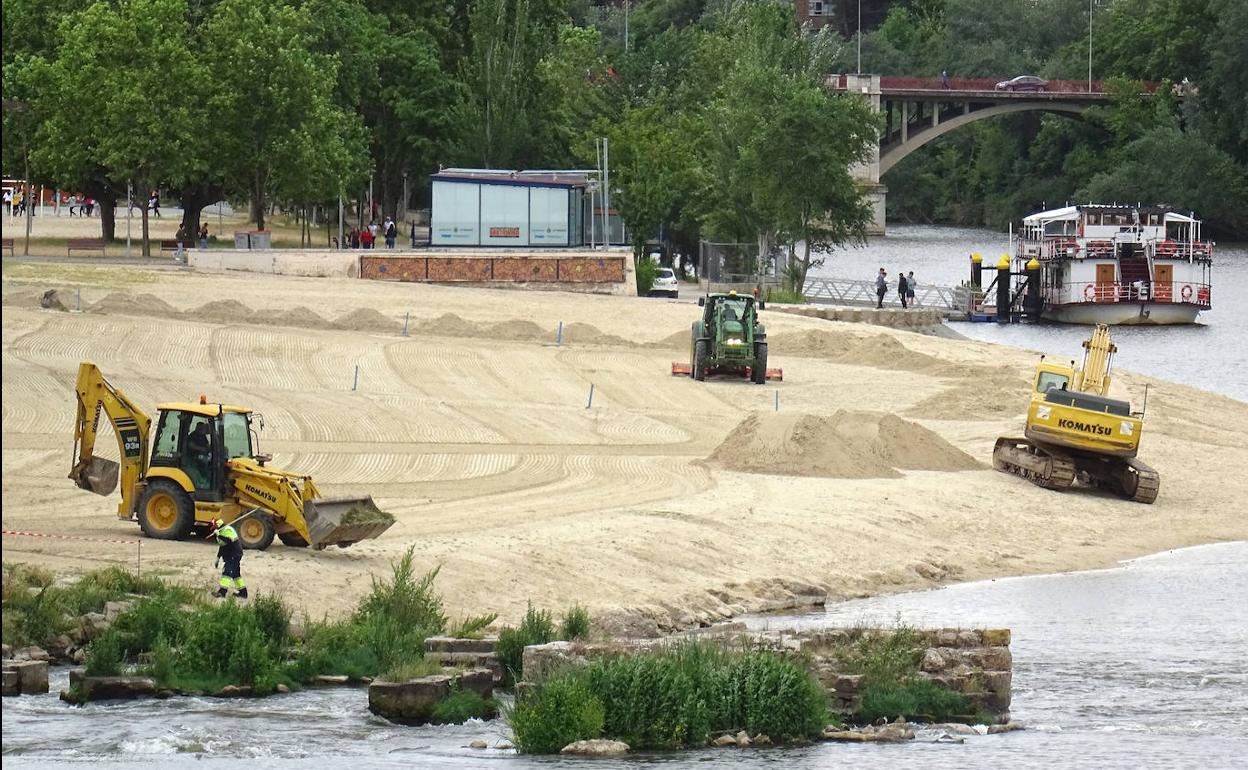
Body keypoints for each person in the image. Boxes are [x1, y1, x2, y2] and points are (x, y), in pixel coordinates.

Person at [210, 518, 247, 599]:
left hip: (234, 554)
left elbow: (228, 541)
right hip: (231, 555)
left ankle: (222, 592)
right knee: (235, 574)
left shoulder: (228, 530)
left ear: (218, 525)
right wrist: (218, 557)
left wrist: (219, 535)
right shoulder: (221, 532)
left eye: (215, 527)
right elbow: (222, 546)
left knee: (226, 572)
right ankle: (243, 593)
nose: (214, 529)